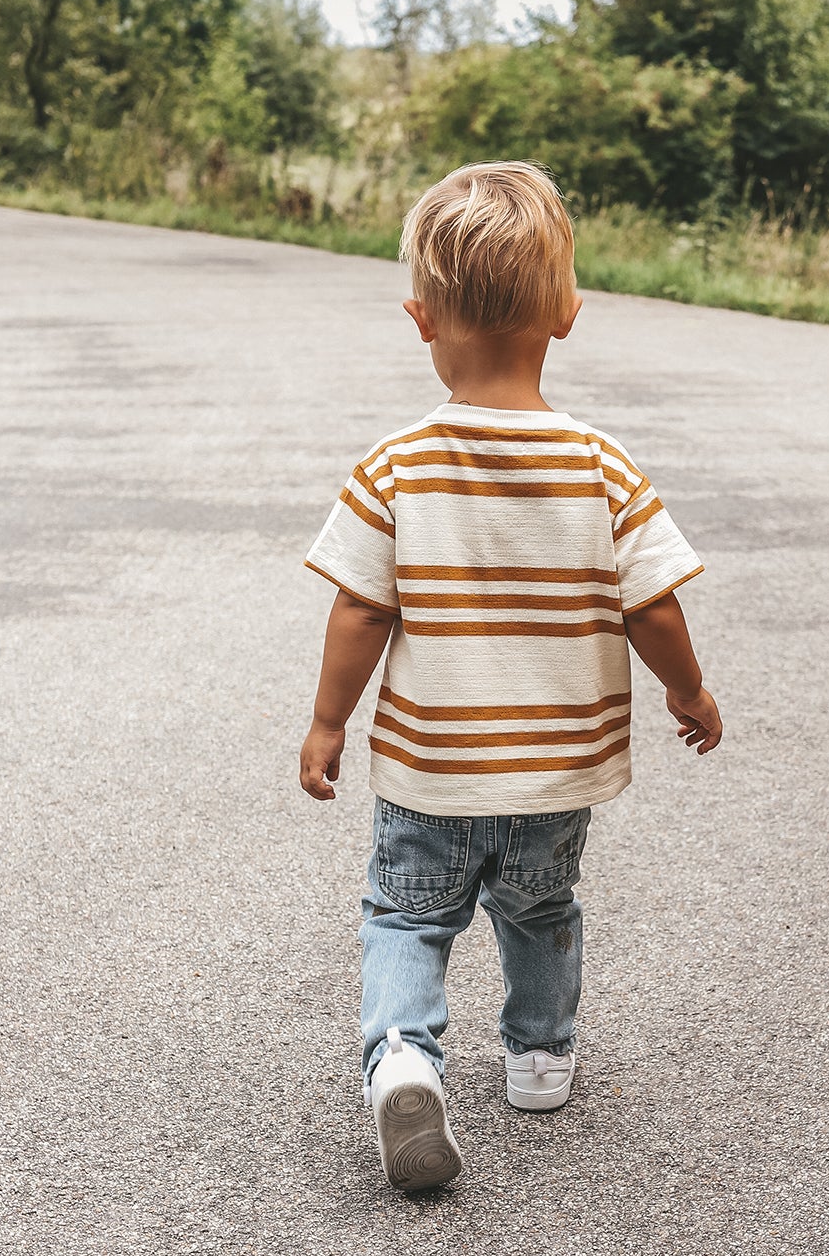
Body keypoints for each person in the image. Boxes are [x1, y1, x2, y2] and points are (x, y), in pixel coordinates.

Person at [299, 160, 722, 1192]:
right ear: (566, 313)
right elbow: (650, 604)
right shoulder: (600, 464)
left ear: (420, 318)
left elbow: (360, 605)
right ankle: (537, 1053)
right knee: (541, 907)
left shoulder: (396, 464)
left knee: (405, 917)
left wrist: (326, 724)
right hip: (552, 773)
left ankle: (402, 1054)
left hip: (429, 770)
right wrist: (686, 690)